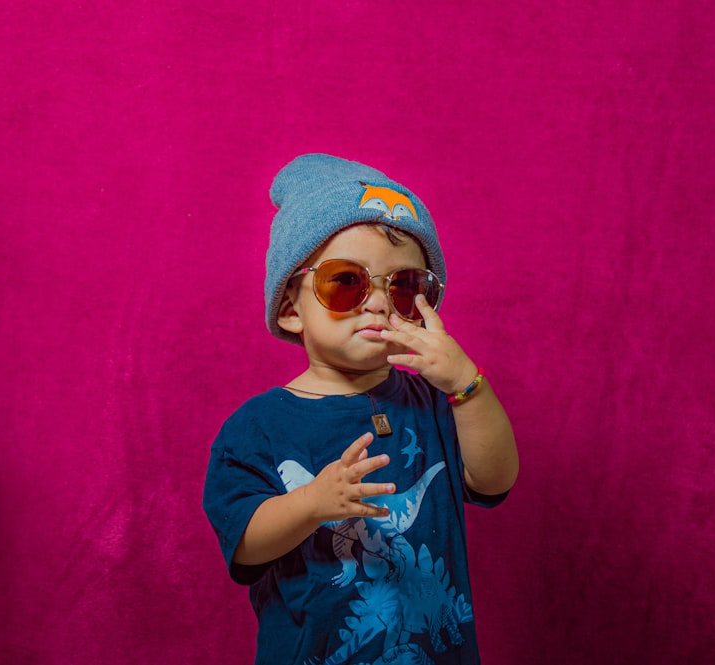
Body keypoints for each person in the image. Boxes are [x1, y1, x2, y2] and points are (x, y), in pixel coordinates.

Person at [203, 153, 519, 664]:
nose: (377, 303)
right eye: (346, 281)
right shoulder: (256, 427)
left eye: (404, 287)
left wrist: (468, 385)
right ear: (290, 310)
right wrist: (313, 502)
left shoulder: (437, 403)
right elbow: (244, 544)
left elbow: (494, 479)